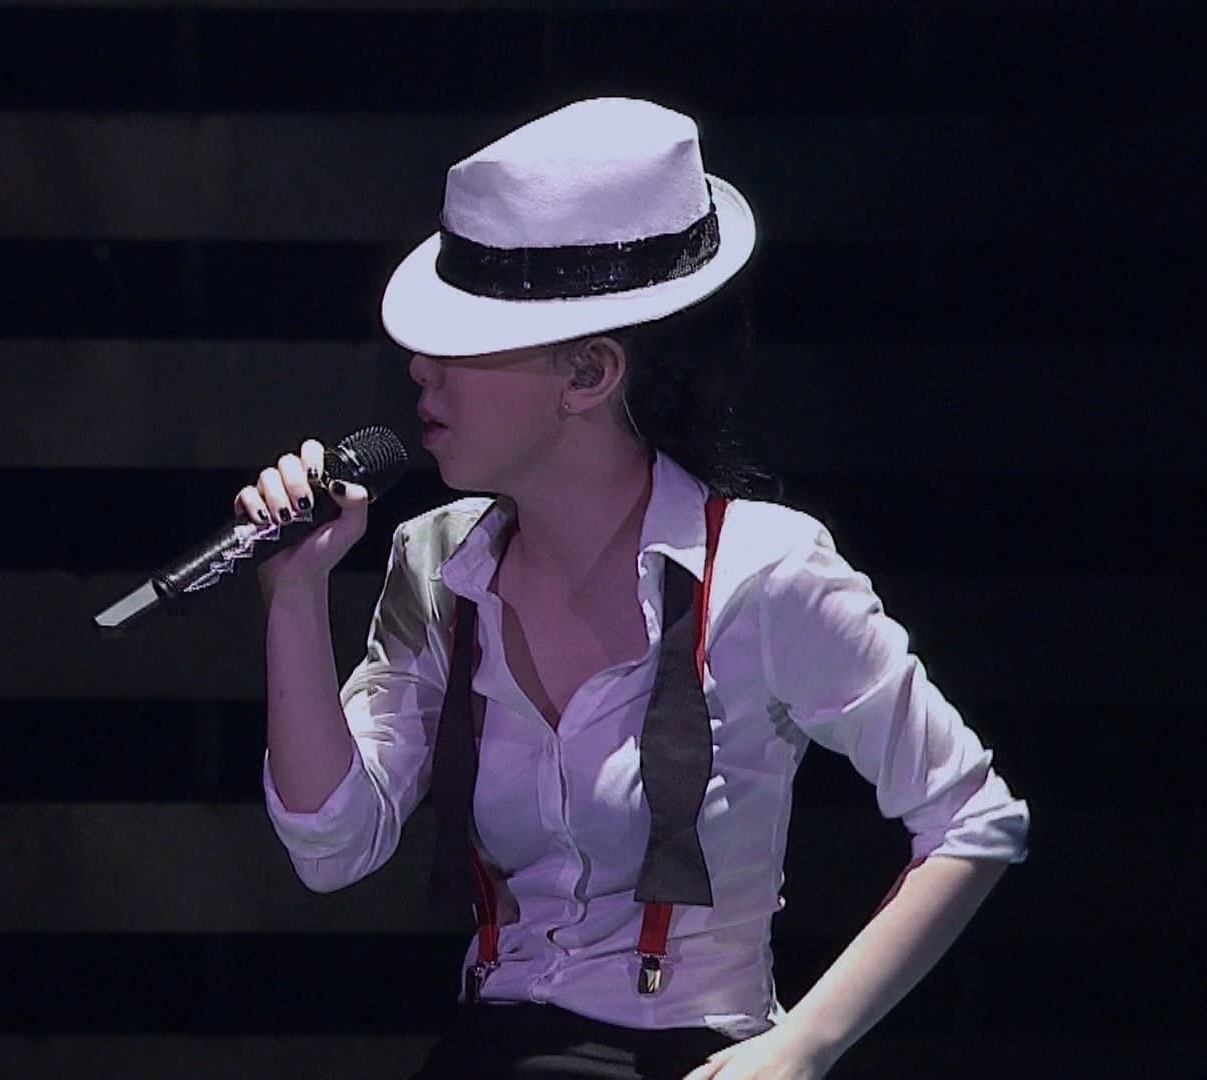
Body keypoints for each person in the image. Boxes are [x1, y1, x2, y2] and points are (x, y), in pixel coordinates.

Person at [237, 98, 1030, 1080]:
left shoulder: (766, 573)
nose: (421, 369)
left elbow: (974, 818)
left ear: (589, 374)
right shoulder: (437, 563)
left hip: (691, 1055)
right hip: (497, 1048)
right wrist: (293, 592)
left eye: (466, 342)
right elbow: (330, 849)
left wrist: (801, 1049)